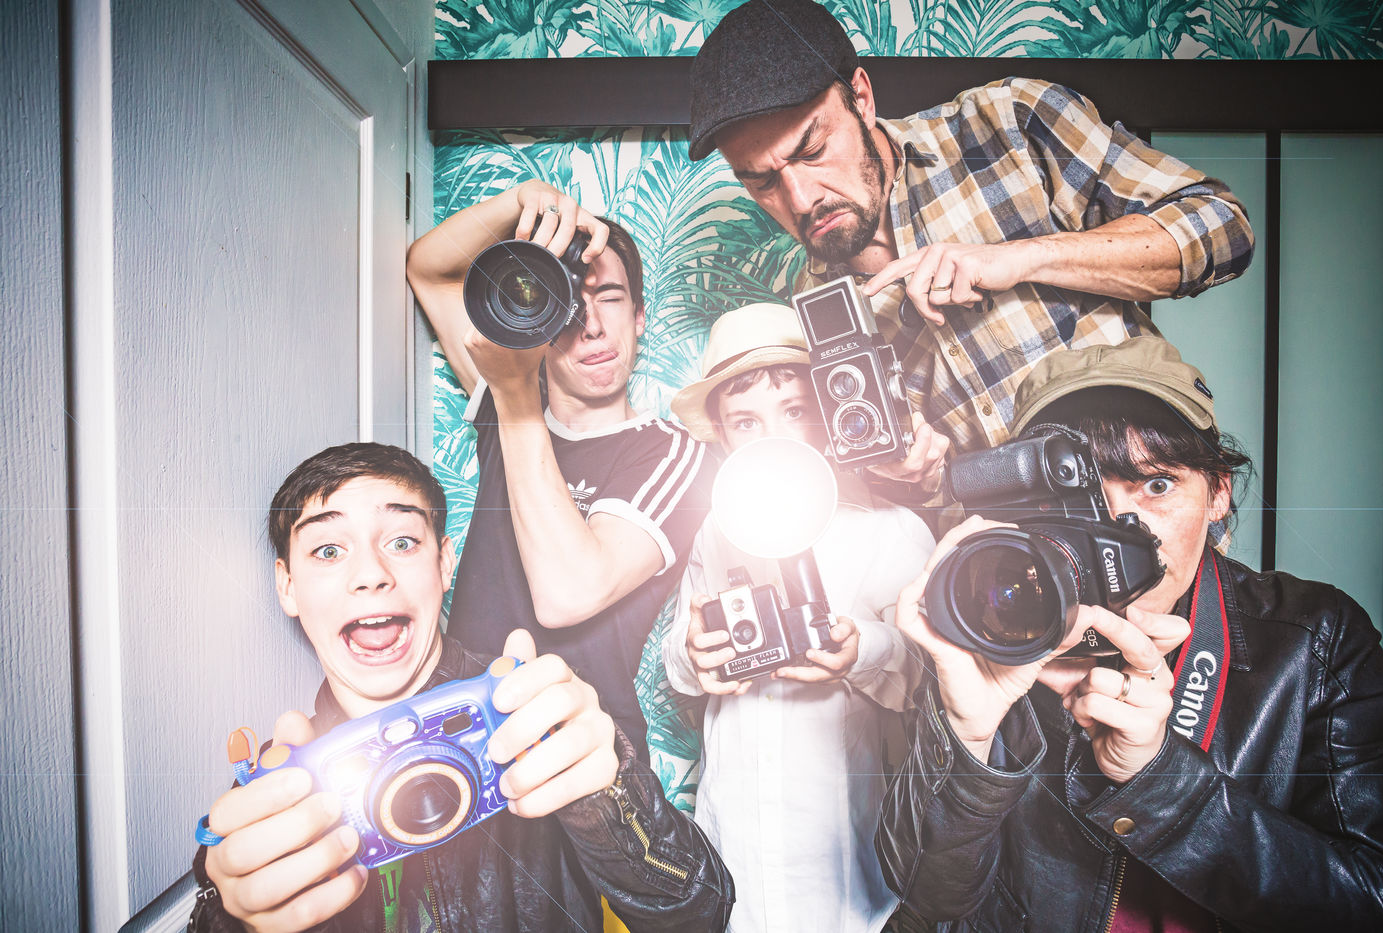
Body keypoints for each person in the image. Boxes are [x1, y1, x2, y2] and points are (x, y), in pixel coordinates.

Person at [875, 337, 1383, 931]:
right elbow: (926, 900)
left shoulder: (1313, 638)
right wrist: (966, 737)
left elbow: (1380, 904)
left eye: (1156, 486)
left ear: (1218, 493)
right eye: (1079, 498)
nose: (1123, 531)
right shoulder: (989, 629)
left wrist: (1159, 778)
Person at [687, 0, 1255, 501]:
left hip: (1154, 513)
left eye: (812, 150)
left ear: (861, 97)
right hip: (1011, 568)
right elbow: (921, 496)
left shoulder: (1008, 123)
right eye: (762, 181)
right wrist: (912, 475)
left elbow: (1222, 228)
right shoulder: (814, 304)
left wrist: (1022, 257)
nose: (800, 198)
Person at [187, 442, 733, 932]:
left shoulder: (540, 714)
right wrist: (234, 920)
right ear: (287, 586)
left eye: (402, 541)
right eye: (328, 550)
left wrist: (606, 795)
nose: (371, 574)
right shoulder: (278, 796)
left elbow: (701, 915)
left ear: (444, 564)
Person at [406, 181, 714, 757]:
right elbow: (430, 270)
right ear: (538, 318)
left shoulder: (675, 456)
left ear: (639, 317)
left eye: (611, 297)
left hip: (583, 751)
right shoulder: (507, 397)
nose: (592, 326)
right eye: (567, 302)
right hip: (461, 735)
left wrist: (515, 391)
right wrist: (524, 201)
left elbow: (567, 595)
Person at [661, 302, 934, 932]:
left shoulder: (890, 530)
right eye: (746, 421)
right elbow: (680, 658)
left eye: (796, 411)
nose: (775, 438)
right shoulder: (716, 530)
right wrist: (694, 653)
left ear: (831, 413)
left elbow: (931, 679)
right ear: (722, 435)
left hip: (841, 875)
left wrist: (863, 649)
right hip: (731, 854)